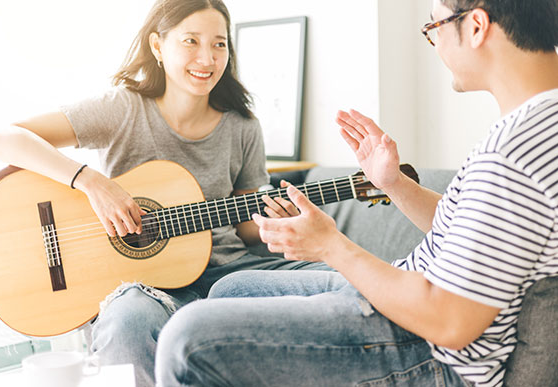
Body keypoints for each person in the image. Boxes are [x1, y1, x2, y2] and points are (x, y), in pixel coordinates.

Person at [154, 0, 558, 386]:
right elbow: (475, 235)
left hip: (429, 349)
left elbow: (450, 321)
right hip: (417, 300)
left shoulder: (513, 151)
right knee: (232, 290)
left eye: (434, 27)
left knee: (185, 343)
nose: (434, 45)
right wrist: (393, 185)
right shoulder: (534, 127)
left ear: (475, 27)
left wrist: (331, 246)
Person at [0, 1, 328, 386]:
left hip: (232, 273)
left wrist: (275, 221)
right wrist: (90, 181)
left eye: (219, 44)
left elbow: (244, 224)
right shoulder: (123, 110)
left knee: (344, 281)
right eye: (191, 41)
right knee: (128, 320)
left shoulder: (243, 126)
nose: (207, 57)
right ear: (157, 46)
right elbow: (5, 137)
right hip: (141, 284)